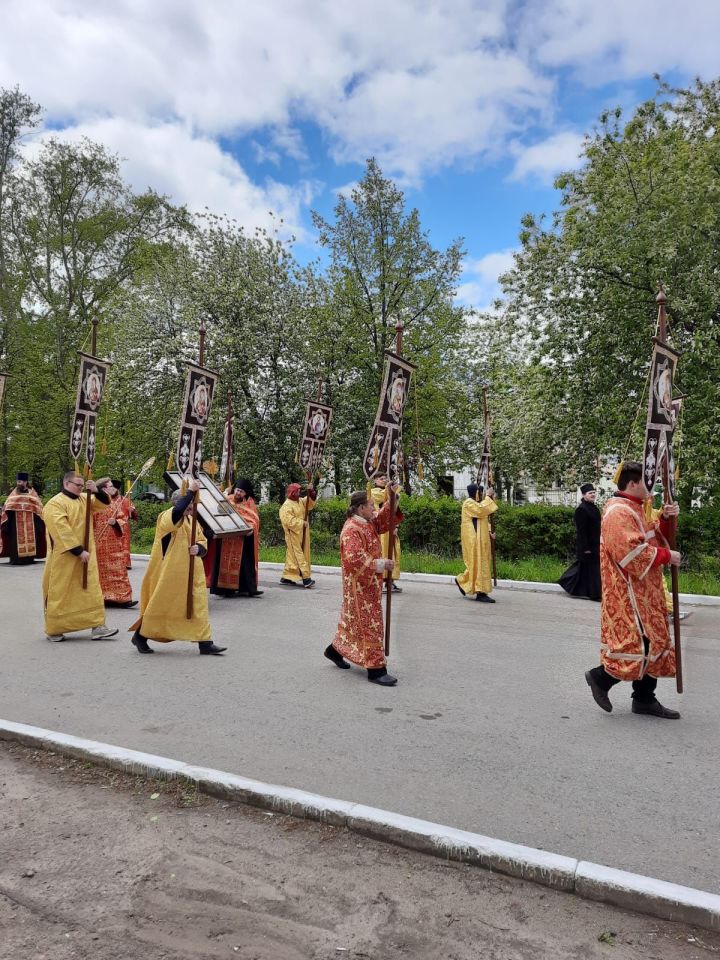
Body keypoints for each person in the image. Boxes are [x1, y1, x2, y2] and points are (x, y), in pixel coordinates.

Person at [585, 460, 681, 719]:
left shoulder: (637, 508)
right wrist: (666, 556)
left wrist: (666, 519)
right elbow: (631, 552)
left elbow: (653, 535)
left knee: (655, 640)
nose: (652, 488)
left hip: (645, 590)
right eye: (648, 483)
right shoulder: (618, 511)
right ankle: (601, 678)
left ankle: (644, 699)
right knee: (640, 643)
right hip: (628, 592)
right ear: (634, 483)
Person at [130, 478, 225, 656]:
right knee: (162, 606)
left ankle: (205, 643)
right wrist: (190, 491)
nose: (191, 508)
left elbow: (202, 540)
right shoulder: (166, 516)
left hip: (192, 574)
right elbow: (177, 512)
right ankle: (141, 636)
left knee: (198, 606)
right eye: (188, 504)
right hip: (169, 574)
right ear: (177, 502)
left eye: (192, 504)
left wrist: (200, 548)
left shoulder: (192, 521)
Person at [324, 488, 403, 685]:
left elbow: (385, 519)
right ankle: (376, 670)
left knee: (353, 623)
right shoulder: (351, 529)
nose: (374, 509)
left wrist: (393, 497)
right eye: (371, 505)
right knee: (371, 624)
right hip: (359, 586)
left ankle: (334, 650)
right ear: (360, 508)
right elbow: (354, 560)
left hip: (369, 584)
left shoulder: (368, 523)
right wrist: (382, 564)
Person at [41, 472, 119, 642]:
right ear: (66, 483)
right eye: (78, 485)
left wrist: (96, 490)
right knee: (62, 591)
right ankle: (55, 629)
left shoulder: (85, 498)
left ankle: (98, 626)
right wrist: (78, 550)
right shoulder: (55, 503)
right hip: (65, 557)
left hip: (86, 554)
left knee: (91, 589)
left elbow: (104, 503)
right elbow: (60, 530)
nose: (80, 488)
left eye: (82, 485)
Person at [204, 478, 263, 598]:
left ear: (246, 493)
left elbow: (254, 519)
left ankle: (247, 589)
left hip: (242, 539)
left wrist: (251, 528)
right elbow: (218, 514)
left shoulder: (249, 503)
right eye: (237, 490)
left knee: (245, 564)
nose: (238, 493)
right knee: (223, 563)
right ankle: (224, 590)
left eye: (241, 491)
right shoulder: (227, 500)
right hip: (227, 538)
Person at [93, 479, 136, 607]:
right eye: (111, 486)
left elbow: (122, 519)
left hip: (114, 544)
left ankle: (122, 597)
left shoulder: (114, 503)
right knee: (100, 573)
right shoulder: (94, 503)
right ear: (104, 489)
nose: (114, 488)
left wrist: (115, 523)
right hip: (98, 544)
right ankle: (104, 597)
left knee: (119, 570)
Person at [455, 483, 498, 603]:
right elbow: (481, 511)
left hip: (480, 539)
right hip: (474, 540)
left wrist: (490, 532)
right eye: (481, 492)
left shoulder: (475, 503)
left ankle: (463, 582)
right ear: (476, 492)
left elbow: (482, 519)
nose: (483, 494)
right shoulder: (469, 503)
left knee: (477, 564)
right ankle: (481, 592)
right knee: (478, 563)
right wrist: (489, 497)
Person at [558, 483, 601, 601]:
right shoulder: (581, 509)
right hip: (587, 546)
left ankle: (570, 585)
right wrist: (585, 548)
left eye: (593, 492)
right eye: (590, 493)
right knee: (593, 571)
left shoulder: (593, 507)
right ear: (583, 495)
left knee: (584, 571)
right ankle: (595, 594)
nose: (593, 495)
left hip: (596, 544)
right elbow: (581, 531)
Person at [0, 472, 46, 564]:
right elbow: (7, 507)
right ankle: (16, 560)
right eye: (18, 481)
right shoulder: (13, 495)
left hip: (32, 522)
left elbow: (39, 508)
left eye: (20, 481)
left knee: (32, 538)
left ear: (25, 482)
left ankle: (29, 559)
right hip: (15, 524)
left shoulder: (32, 495)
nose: (18, 483)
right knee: (15, 541)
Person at [279, 481, 317, 588]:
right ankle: (306, 578)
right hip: (293, 535)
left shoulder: (300, 501)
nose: (300, 493)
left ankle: (287, 576)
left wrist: (311, 492)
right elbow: (288, 521)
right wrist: (302, 523)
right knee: (298, 555)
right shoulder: (286, 506)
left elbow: (309, 503)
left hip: (302, 533)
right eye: (298, 491)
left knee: (293, 556)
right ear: (293, 493)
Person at [371, 474, 402, 592]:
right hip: (380, 527)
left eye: (385, 478)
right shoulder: (373, 492)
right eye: (381, 479)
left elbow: (394, 506)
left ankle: (390, 580)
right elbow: (385, 499)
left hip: (390, 527)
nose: (384, 481)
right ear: (375, 480)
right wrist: (391, 490)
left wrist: (396, 524)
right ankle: (382, 580)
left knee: (393, 552)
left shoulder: (386, 492)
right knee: (383, 552)